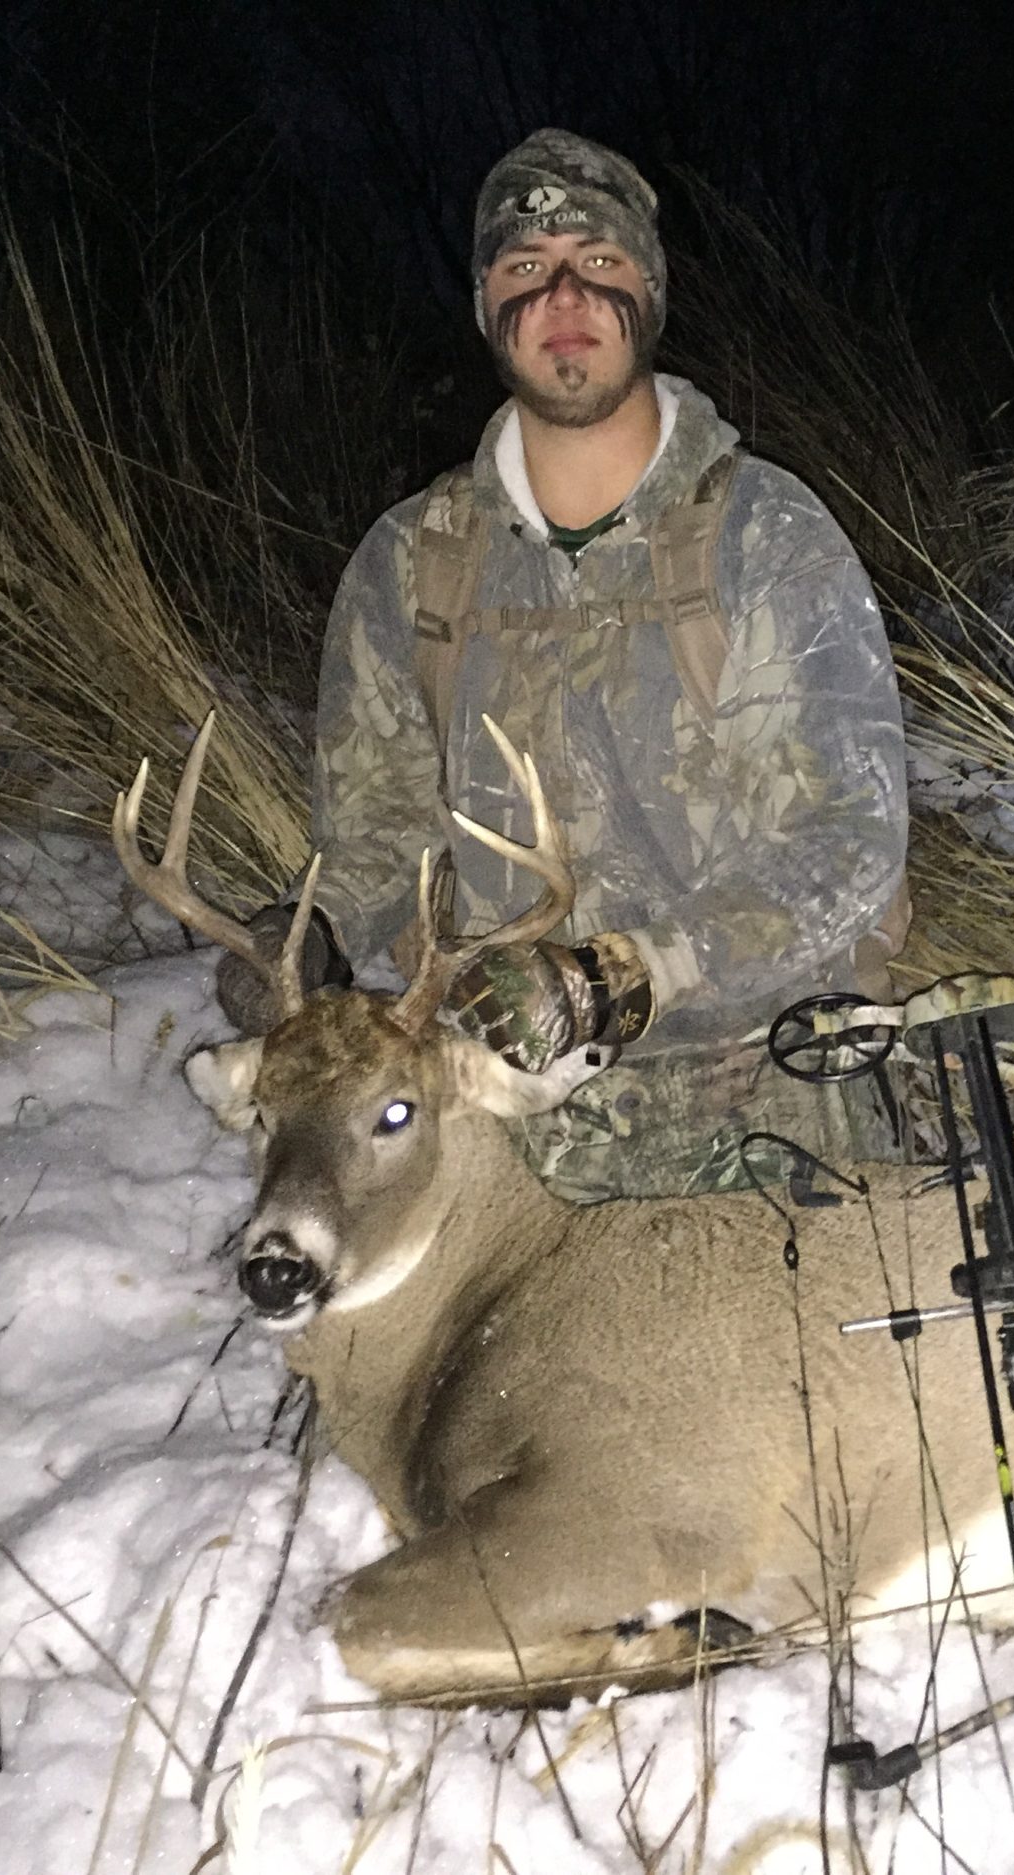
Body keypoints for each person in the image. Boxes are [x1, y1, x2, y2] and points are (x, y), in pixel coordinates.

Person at [217, 128, 909, 1202]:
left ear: (651, 291)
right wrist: (306, 936)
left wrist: (629, 973)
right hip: (502, 1092)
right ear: (488, 306)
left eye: (600, 261)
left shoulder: (767, 533)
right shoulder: (412, 561)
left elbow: (851, 841)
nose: (563, 293)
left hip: (762, 1071)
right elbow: (376, 835)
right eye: (525, 269)